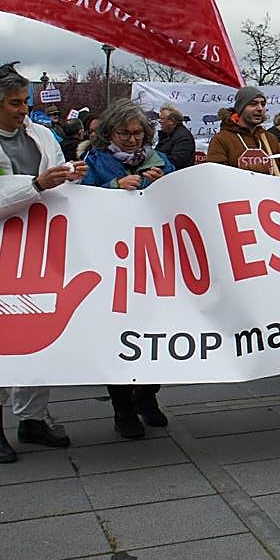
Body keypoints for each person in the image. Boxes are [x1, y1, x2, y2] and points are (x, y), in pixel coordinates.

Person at [0, 62, 87, 463]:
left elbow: (57, 176)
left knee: (39, 331)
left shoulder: (43, 135)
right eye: (15, 103)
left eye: (25, 102)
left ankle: (32, 419)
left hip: (43, 245)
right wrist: (36, 185)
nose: (23, 110)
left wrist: (71, 174)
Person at [82, 100, 175, 437]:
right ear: (109, 133)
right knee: (117, 337)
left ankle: (147, 395)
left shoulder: (160, 160)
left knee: (159, 332)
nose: (133, 140)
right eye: (125, 134)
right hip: (112, 263)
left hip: (154, 259)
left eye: (138, 133)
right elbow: (79, 202)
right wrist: (112, 188)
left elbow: (181, 198)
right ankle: (123, 408)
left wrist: (164, 183)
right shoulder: (94, 162)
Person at [206, 87, 280, 178]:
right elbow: (217, 174)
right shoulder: (222, 139)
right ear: (240, 108)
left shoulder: (270, 139)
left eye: (263, 104)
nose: (260, 108)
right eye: (253, 104)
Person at [155, 103, 196, 169]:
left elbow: (177, 161)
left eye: (162, 119)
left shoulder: (183, 138)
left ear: (172, 121)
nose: (160, 121)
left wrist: (154, 160)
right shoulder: (167, 134)